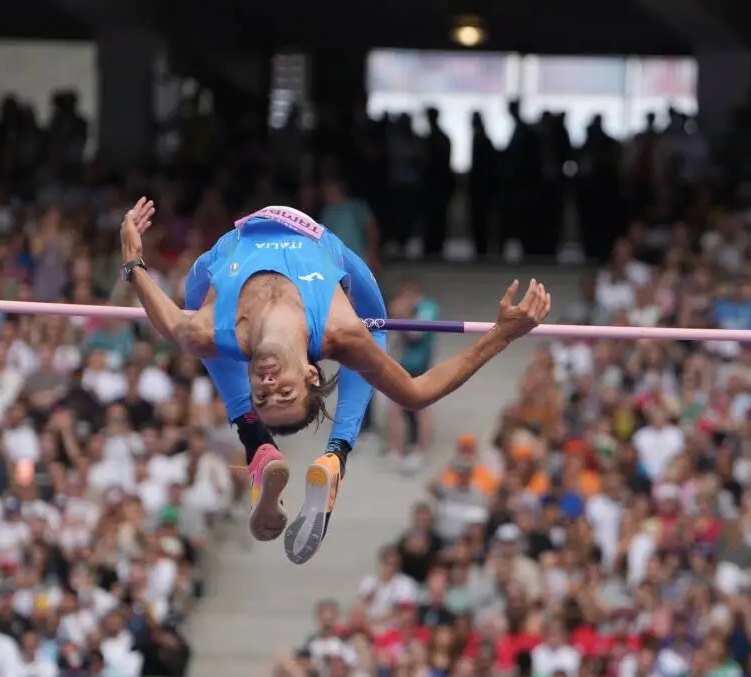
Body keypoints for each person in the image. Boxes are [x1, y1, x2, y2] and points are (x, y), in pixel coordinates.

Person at [119, 198, 552, 564]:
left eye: (262, 395)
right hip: (318, 243)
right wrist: (501, 337)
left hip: (231, 250)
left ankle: (257, 442)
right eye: (284, 392)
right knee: (370, 327)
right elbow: (418, 393)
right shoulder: (339, 332)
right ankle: (336, 454)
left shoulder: (211, 330)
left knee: (199, 338)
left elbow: (172, 323)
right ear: (311, 373)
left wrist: (132, 259)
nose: (269, 383)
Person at [386, 276, 441, 472]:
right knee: (394, 408)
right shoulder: (400, 306)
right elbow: (392, 336)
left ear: (413, 293)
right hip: (400, 365)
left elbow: (415, 334)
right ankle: (395, 450)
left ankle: (422, 451)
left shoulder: (428, 308)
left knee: (421, 409)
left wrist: (403, 316)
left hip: (419, 365)